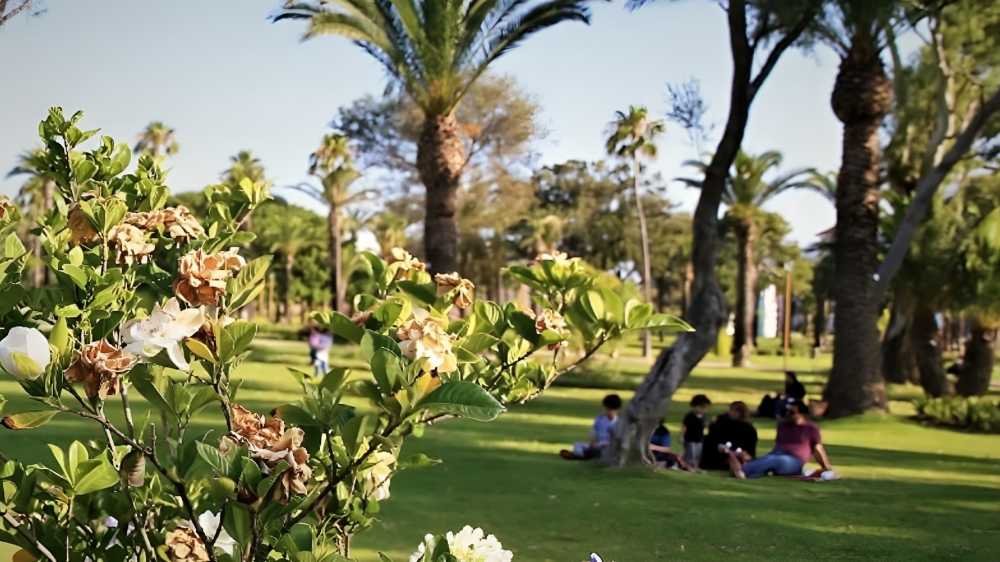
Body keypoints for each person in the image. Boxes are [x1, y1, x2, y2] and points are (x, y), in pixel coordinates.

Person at [728, 399, 833, 479]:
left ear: (801, 413)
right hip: (776, 454)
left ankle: (744, 471)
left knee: (773, 460)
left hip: (794, 461)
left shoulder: (810, 428)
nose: (787, 414)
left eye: (792, 412)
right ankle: (743, 465)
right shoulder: (782, 425)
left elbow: (817, 449)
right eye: (786, 411)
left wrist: (826, 467)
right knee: (768, 459)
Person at [560, 394, 622, 460]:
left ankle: (578, 456)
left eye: (610, 410)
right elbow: (593, 434)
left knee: (603, 451)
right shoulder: (599, 420)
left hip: (609, 447)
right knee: (578, 445)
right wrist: (591, 444)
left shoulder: (619, 422)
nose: (608, 412)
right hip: (598, 445)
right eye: (607, 409)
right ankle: (580, 454)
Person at [700, 401, 757, 471]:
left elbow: (749, 447)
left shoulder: (748, 428)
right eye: (731, 410)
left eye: (735, 411)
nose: (732, 413)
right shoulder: (724, 422)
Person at [679, 394, 711, 470]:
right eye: (702, 407)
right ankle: (688, 465)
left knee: (697, 454)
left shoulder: (703, 417)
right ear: (694, 406)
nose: (705, 409)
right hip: (690, 439)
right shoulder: (690, 416)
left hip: (699, 439)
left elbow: (704, 425)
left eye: (705, 407)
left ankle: (695, 466)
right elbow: (684, 427)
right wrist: (682, 437)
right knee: (690, 453)